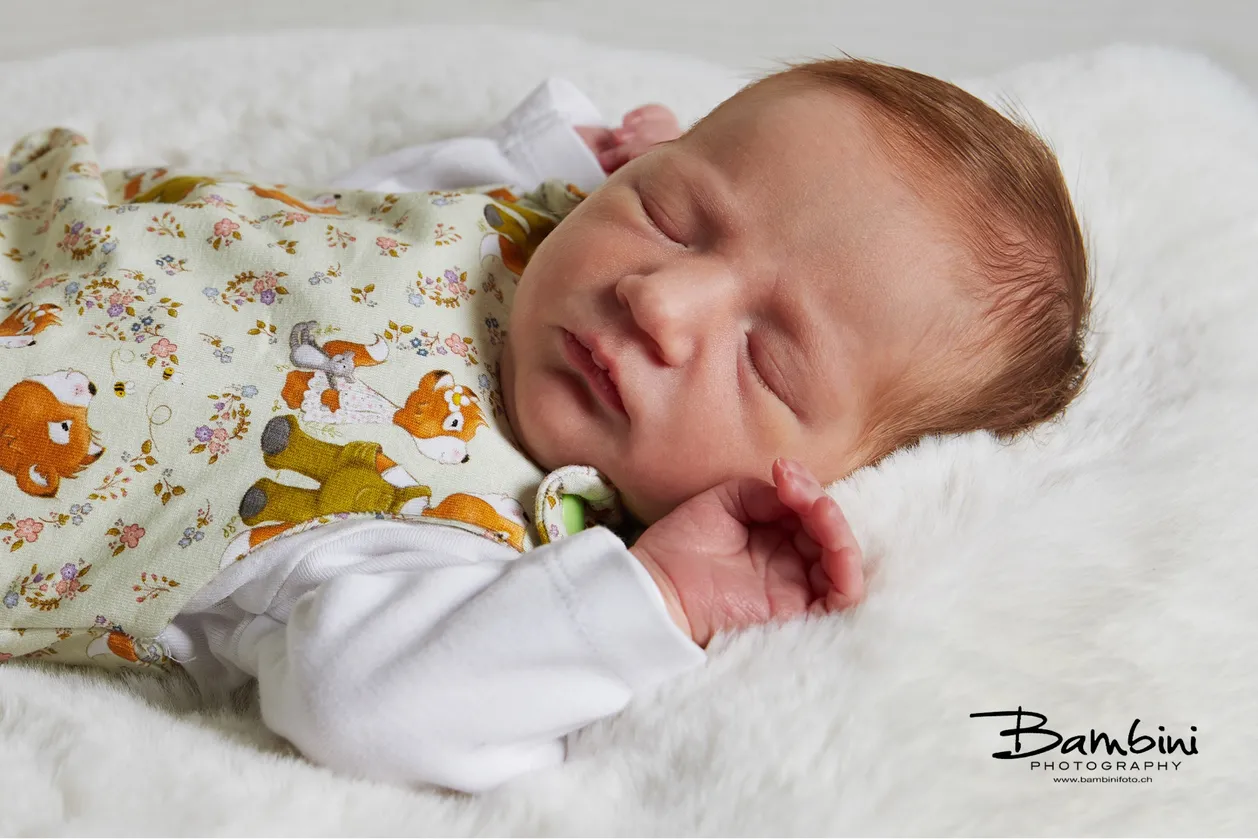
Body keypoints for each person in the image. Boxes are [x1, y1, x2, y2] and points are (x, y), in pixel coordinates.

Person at [0, 59, 1089, 794]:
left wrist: (653, 597)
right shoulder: (524, 229)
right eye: (674, 215)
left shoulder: (472, 531)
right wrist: (585, 158)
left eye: (763, 359)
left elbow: (357, 704)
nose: (660, 300)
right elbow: (357, 203)